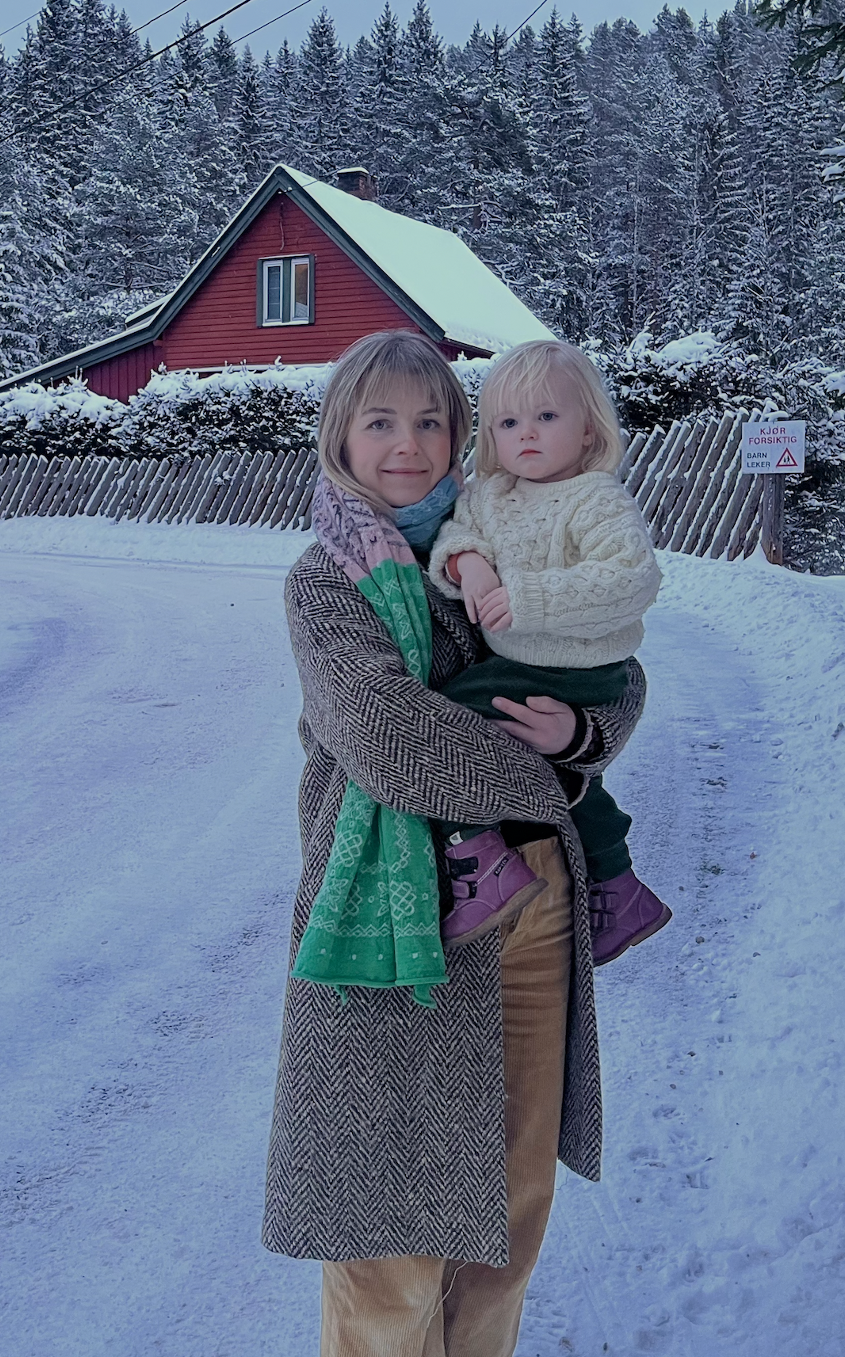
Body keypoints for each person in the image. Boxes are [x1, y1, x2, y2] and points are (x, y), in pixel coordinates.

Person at [264, 329, 647, 1357]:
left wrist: (583, 733)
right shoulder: (327, 582)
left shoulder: (503, 531)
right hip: (396, 924)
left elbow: (607, 660)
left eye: (429, 420)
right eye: (379, 420)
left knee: (506, 1221)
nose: (406, 444)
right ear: (338, 433)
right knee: (389, 1238)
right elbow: (389, 739)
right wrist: (557, 780)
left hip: (533, 911)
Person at [427, 339, 673, 964]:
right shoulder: (491, 493)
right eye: (509, 422)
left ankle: (479, 853)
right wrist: (469, 564)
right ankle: (618, 883)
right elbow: (458, 531)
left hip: (581, 667)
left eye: (546, 417)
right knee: (556, 776)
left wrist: (528, 598)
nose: (526, 434)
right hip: (520, 661)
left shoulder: (595, 496)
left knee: (446, 726)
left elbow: (632, 577)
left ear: (588, 427)